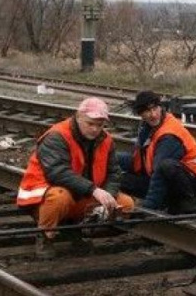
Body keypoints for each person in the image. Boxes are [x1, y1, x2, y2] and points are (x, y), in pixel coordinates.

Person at [16, 97, 135, 259]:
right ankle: (45, 236)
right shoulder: (57, 136)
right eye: (90, 123)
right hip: (43, 195)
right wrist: (94, 190)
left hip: (82, 193)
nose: (95, 129)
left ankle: (73, 227)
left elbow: (114, 172)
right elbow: (57, 173)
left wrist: (109, 195)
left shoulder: (106, 140)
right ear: (78, 118)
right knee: (59, 197)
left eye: (99, 125)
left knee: (126, 204)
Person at [118, 90, 196, 214]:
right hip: (171, 177)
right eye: (147, 111)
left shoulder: (169, 135)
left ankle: (179, 202)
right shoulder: (147, 127)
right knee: (119, 170)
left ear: (160, 107)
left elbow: (159, 170)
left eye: (155, 108)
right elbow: (140, 160)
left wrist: (147, 207)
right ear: (140, 114)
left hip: (195, 183)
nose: (153, 114)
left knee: (165, 166)